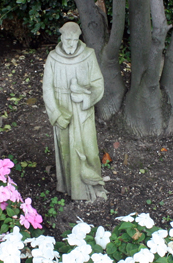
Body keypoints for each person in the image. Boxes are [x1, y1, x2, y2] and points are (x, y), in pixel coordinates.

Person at [43, 22, 107, 201]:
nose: (70, 43)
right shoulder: (53, 58)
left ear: (79, 38)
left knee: (89, 149)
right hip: (63, 109)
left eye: (73, 39)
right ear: (61, 37)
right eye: (66, 39)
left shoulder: (88, 55)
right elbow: (47, 89)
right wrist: (55, 114)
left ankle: (92, 185)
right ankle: (72, 187)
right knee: (66, 148)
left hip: (83, 110)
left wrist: (87, 98)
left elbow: (98, 83)